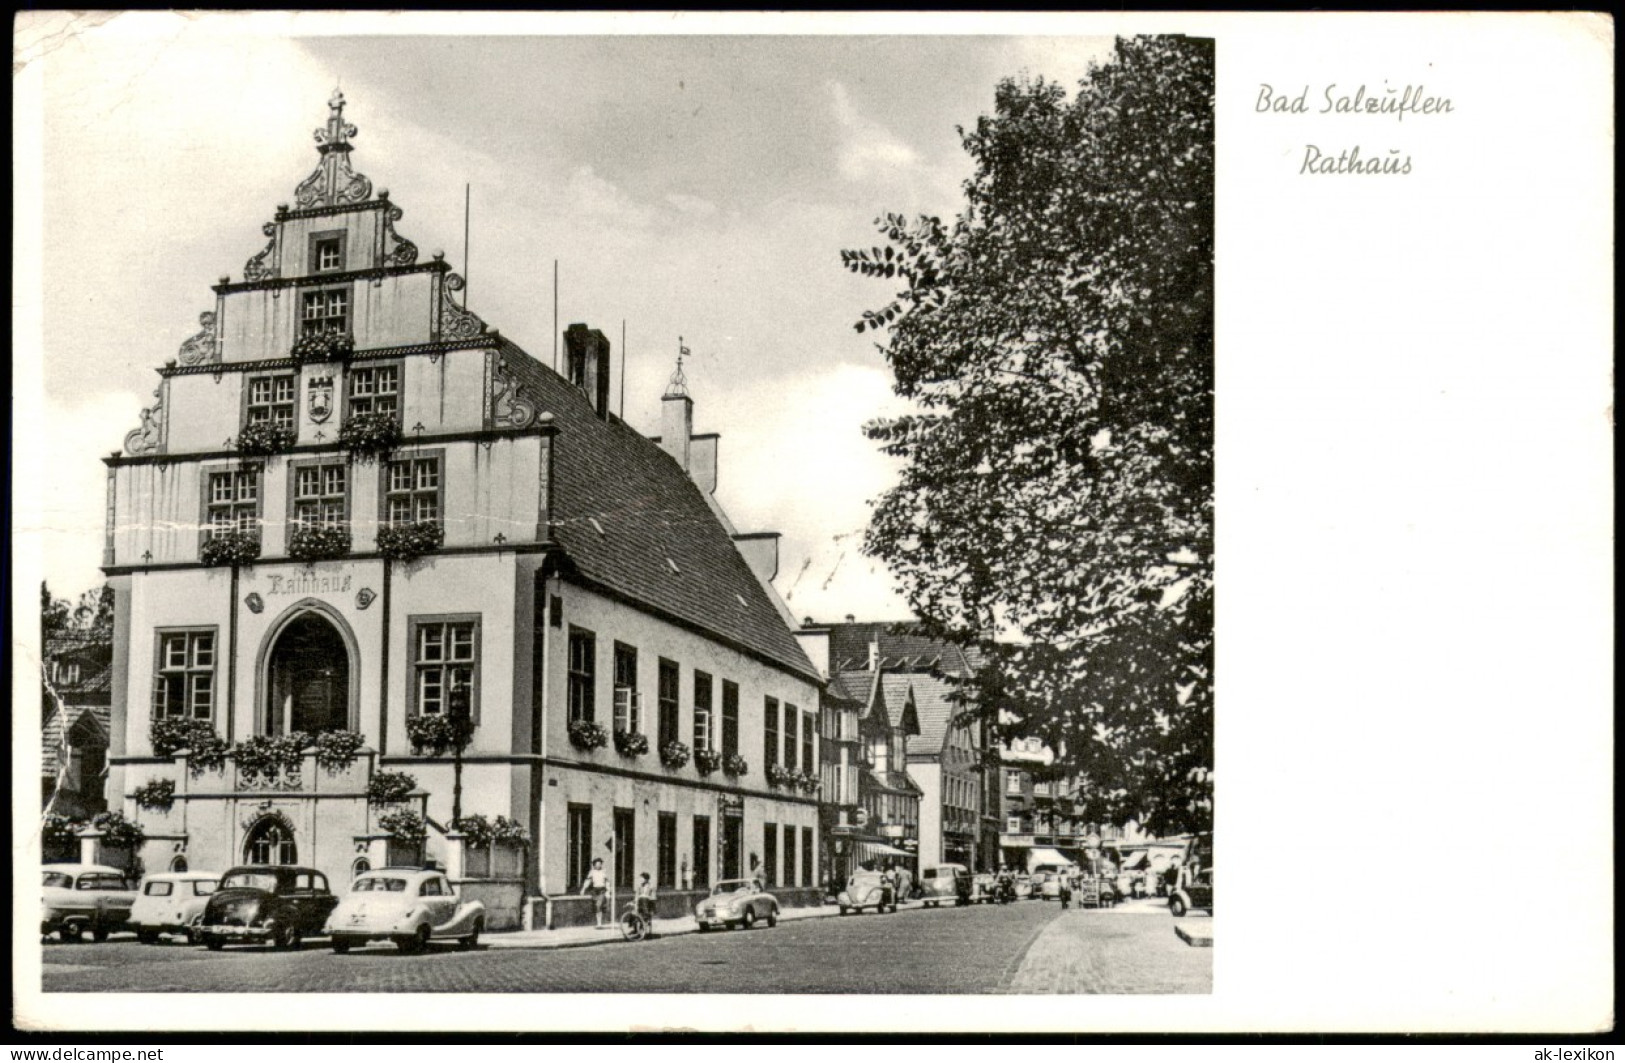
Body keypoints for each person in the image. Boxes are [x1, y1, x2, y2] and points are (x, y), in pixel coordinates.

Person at [581, 857, 610, 927]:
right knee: (596, 907)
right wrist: (583, 889)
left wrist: (608, 890)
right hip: (594, 890)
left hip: (602, 890)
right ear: (594, 865)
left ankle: (599, 923)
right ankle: (598, 923)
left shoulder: (604, 872)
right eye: (596, 864)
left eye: (600, 864)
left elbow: (607, 882)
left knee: (598, 905)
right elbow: (588, 881)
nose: (598, 865)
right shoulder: (592, 872)